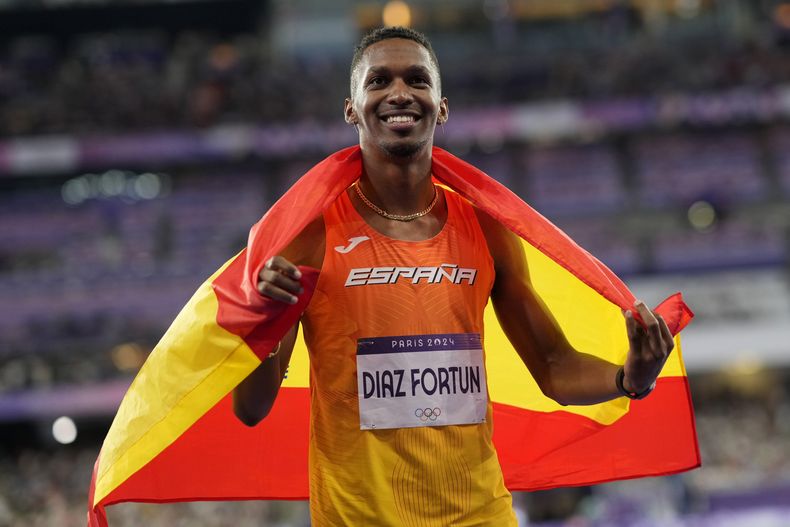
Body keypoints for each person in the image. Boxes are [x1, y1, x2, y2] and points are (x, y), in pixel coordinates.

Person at [232, 26, 675, 526]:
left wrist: (630, 379)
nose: (400, 93)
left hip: (480, 515)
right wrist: (266, 320)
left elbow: (555, 368)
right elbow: (250, 408)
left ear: (441, 106)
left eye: (417, 80)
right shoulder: (307, 236)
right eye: (378, 81)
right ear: (351, 108)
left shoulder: (485, 227)